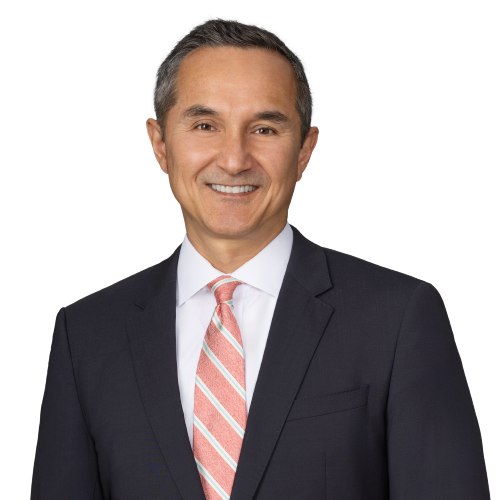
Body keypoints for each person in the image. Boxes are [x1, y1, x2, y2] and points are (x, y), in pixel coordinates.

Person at [31, 20, 490, 500]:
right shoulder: (86, 337)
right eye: (205, 125)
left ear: (304, 152)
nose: (234, 159)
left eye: (265, 129)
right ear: (160, 145)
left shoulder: (397, 320)